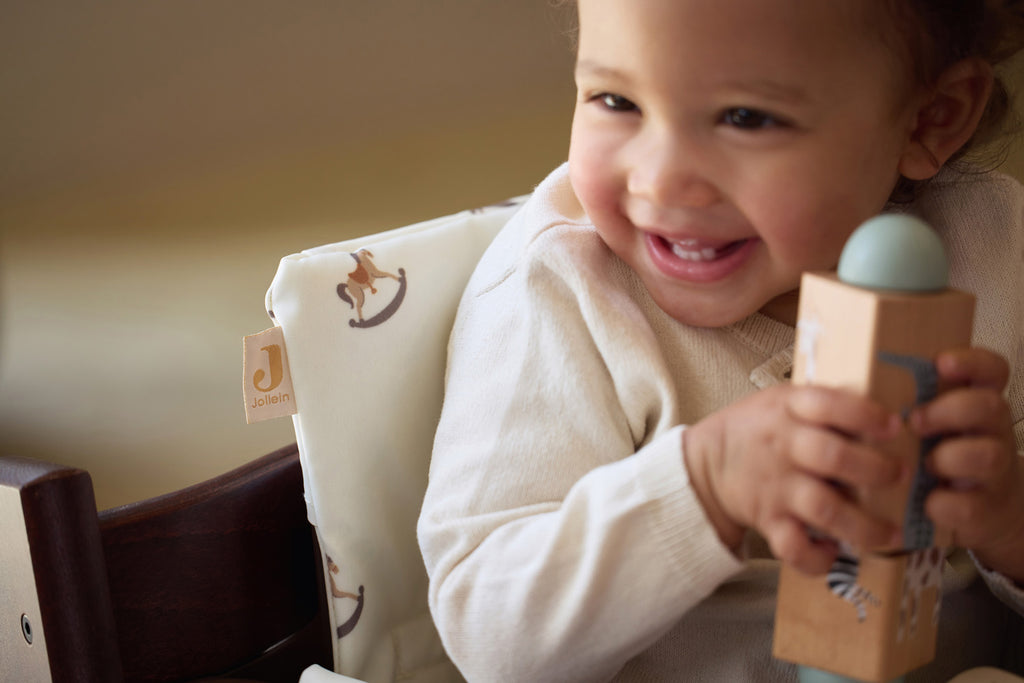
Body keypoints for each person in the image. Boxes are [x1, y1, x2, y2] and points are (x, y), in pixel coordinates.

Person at [417, 0, 1024, 680]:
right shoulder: (560, 292)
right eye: (617, 100)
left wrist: (1008, 521)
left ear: (931, 118)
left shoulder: (1000, 245)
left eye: (745, 118)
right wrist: (704, 484)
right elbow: (488, 635)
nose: (660, 180)